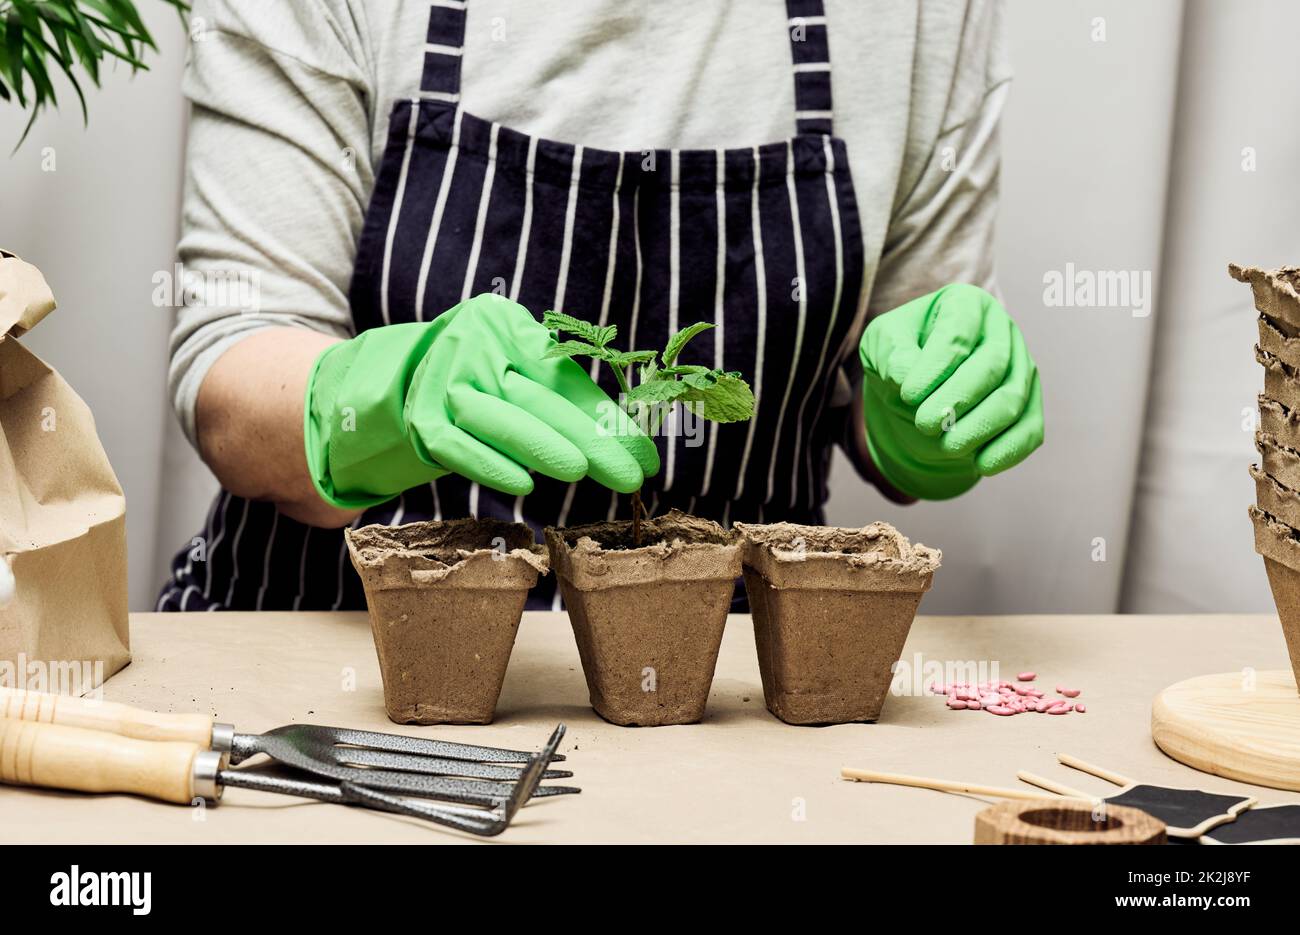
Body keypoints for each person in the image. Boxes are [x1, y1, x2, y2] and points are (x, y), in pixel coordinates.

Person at [157, 0, 1043, 612]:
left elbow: (900, 369)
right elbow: (232, 392)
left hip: (723, 691)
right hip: (340, 668)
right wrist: (380, 399)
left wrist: (922, 417)